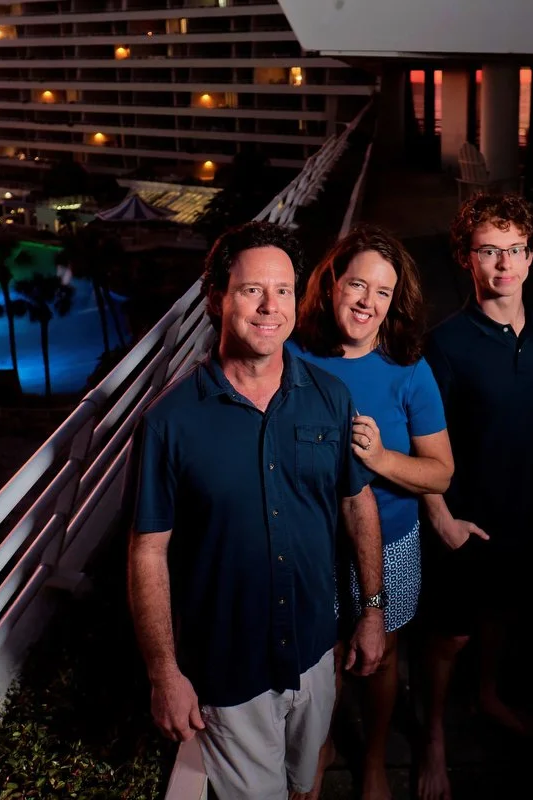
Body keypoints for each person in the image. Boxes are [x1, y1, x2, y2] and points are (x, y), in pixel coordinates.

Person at [127, 221, 387, 799]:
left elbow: (356, 503)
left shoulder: (330, 396)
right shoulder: (169, 424)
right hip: (229, 671)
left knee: (308, 778)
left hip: (317, 650)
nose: (271, 307)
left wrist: (371, 610)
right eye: (251, 291)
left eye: (285, 290)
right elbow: (149, 551)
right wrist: (164, 672)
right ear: (216, 298)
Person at [417, 193, 533, 800]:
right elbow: (421, 442)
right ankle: (432, 734)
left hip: (532, 511)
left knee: (504, 614)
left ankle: (488, 696)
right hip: (469, 517)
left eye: (514, 250)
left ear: (530, 259)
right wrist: (443, 518)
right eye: (489, 250)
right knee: (451, 634)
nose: (503, 264)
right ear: (466, 258)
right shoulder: (445, 343)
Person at [290, 224, 454, 799]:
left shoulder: (408, 367)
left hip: (391, 542)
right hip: (311, 540)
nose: (367, 302)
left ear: (395, 302)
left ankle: (377, 759)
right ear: (331, 282)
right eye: (357, 284)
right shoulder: (291, 353)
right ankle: (325, 743)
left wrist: (382, 457)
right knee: (323, 656)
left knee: (379, 659)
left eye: (382, 293)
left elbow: (440, 472)